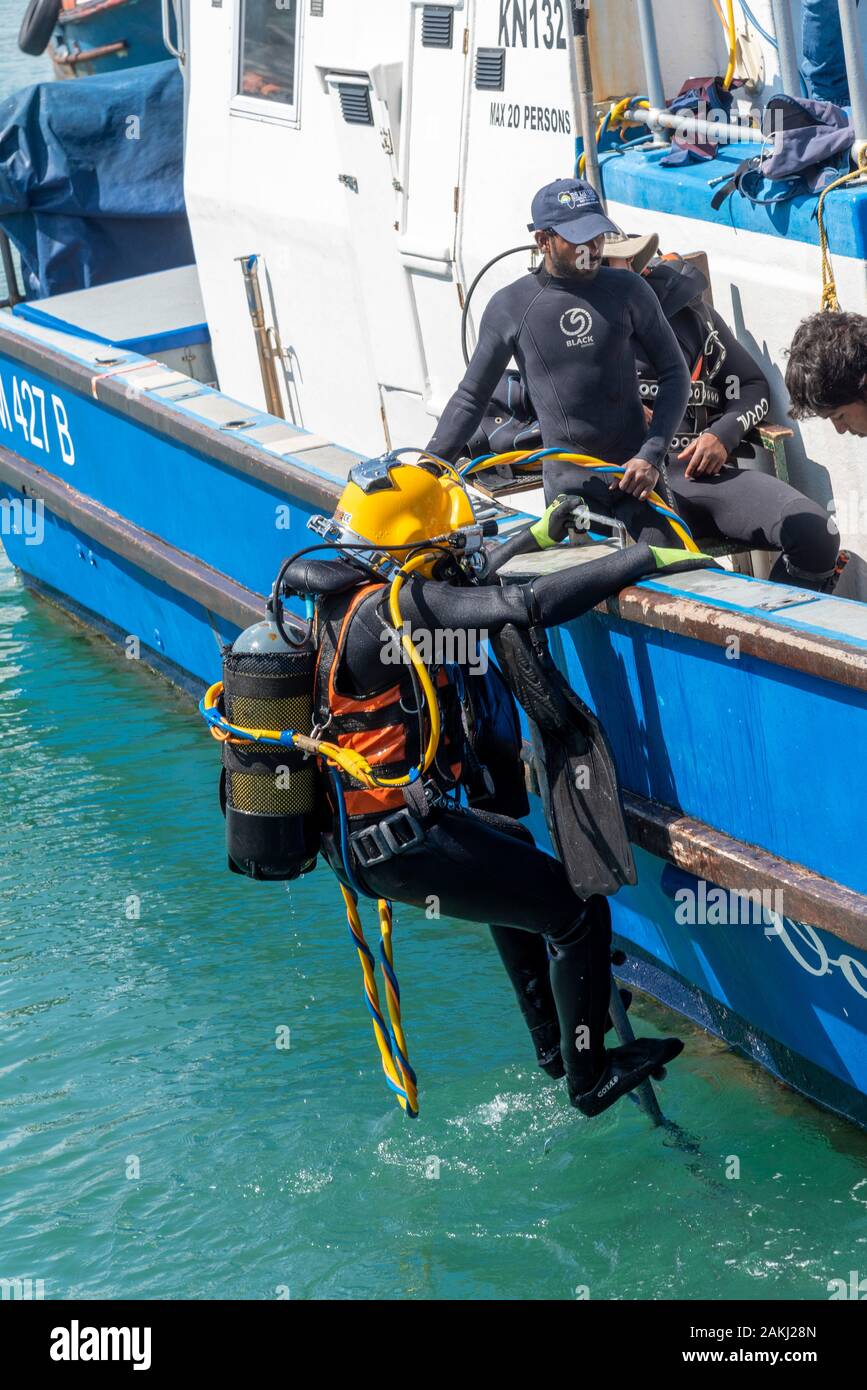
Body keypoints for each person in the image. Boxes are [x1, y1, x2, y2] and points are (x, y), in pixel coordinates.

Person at [283, 456, 710, 1115]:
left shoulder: (346, 601)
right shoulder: (389, 610)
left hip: (365, 842)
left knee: (509, 849)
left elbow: (469, 585)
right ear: (410, 543)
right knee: (575, 915)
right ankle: (588, 1074)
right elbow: (522, 604)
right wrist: (645, 558)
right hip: (397, 846)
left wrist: (535, 539)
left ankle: (554, 1045)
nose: (457, 551)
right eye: (447, 540)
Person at [427, 177, 691, 508]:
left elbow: (675, 374)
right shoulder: (511, 306)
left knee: (674, 560)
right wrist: (431, 463)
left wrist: (651, 455)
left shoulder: (628, 290)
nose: (593, 248)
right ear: (543, 241)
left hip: (636, 477)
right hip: (571, 488)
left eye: (597, 234)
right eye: (579, 239)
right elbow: (471, 397)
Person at [600, 234, 842, 590]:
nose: (608, 271)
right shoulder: (570, 329)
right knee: (669, 573)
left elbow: (752, 386)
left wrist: (723, 434)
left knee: (817, 532)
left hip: (702, 475)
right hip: (633, 491)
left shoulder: (687, 311)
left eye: (617, 260)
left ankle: (771, 632)